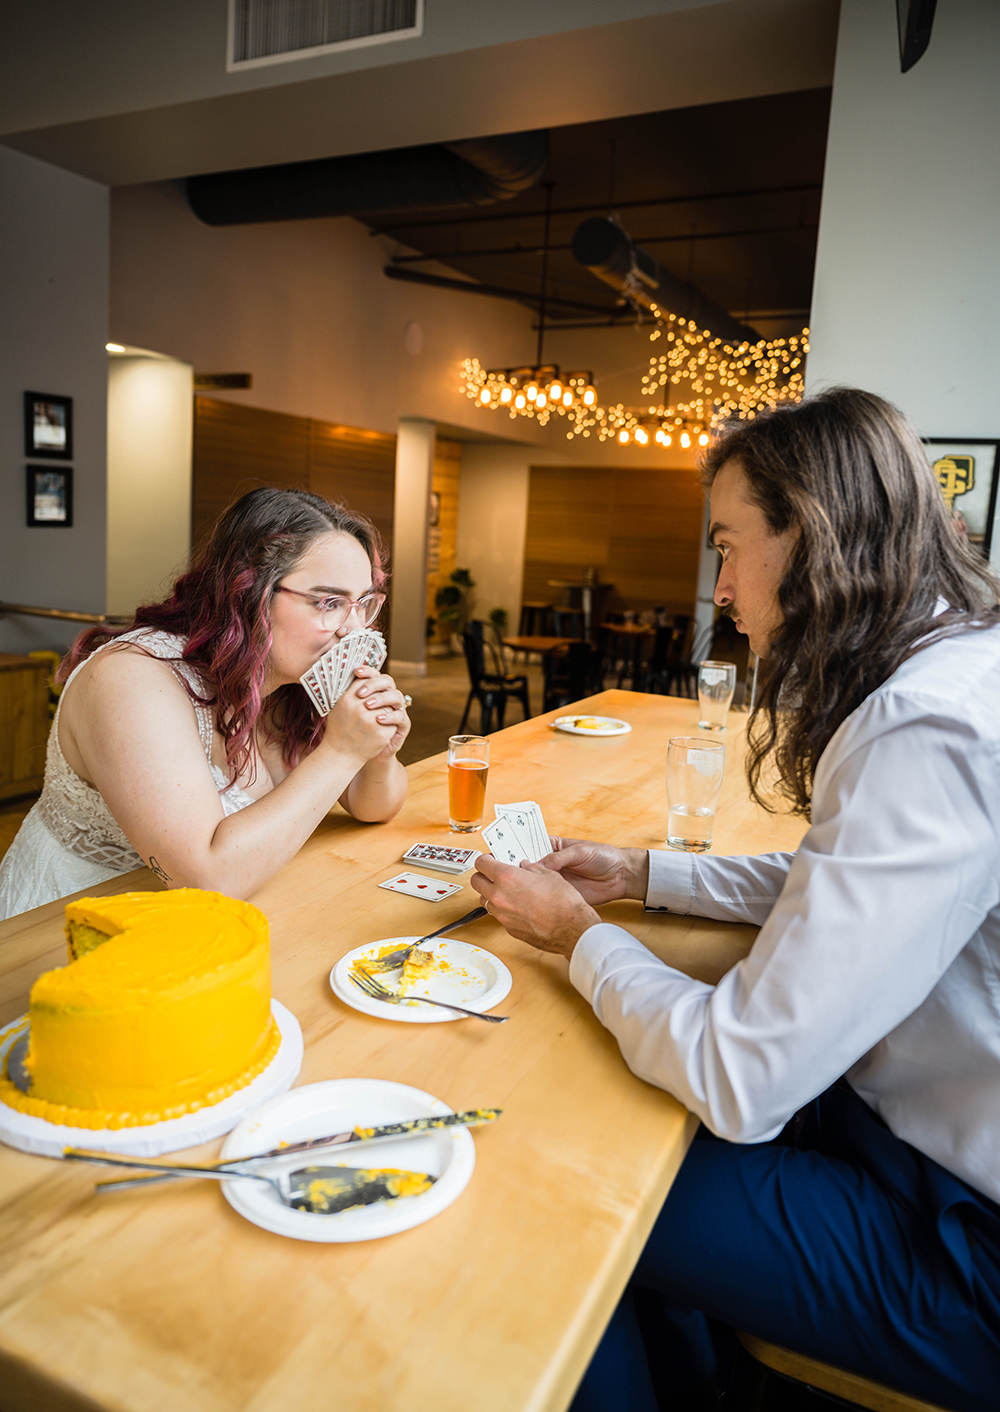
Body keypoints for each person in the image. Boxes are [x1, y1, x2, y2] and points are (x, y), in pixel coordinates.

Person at [472, 389, 1000, 1411]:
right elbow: (841, 887)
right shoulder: (959, 665)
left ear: (810, 533)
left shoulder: (924, 728)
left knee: (576, 1177)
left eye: (728, 545)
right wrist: (642, 874)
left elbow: (741, 1077)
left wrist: (575, 933)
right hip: (911, 1150)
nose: (719, 589)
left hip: (968, 1255)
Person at [0, 487, 410, 921]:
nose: (353, 631)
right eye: (328, 602)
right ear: (246, 591)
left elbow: (374, 807)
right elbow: (207, 878)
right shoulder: (133, 680)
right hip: (65, 929)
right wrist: (341, 750)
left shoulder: (294, 676)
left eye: (364, 603)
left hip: (217, 925)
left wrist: (376, 754)